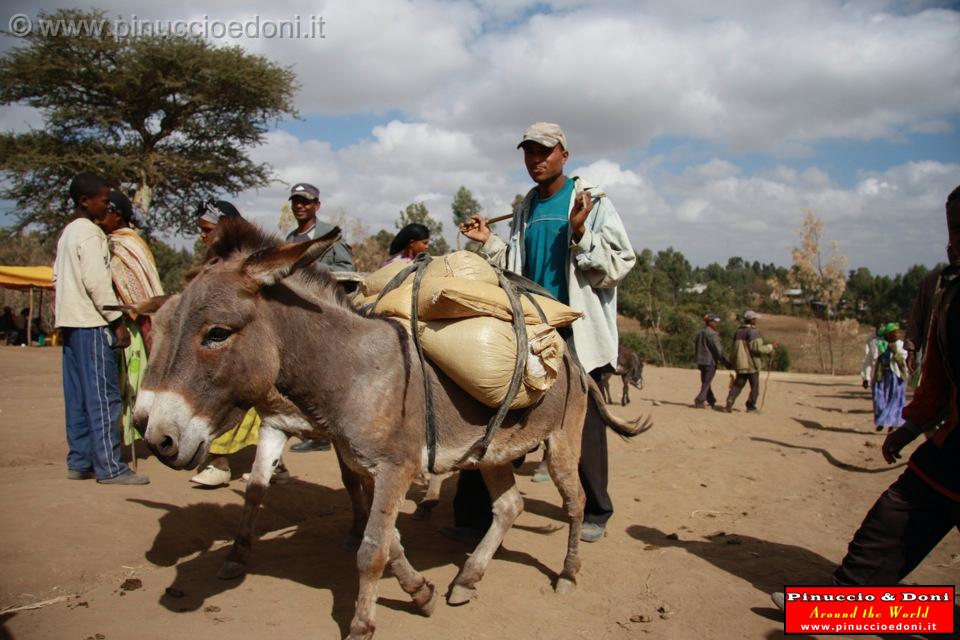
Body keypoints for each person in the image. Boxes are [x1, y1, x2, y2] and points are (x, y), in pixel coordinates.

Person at [772, 185, 960, 610]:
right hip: (952, 446)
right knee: (897, 513)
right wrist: (912, 425)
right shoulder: (947, 290)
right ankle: (844, 602)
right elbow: (939, 375)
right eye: (953, 230)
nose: (953, 243)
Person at [456, 122, 636, 543]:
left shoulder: (592, 202)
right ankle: (473, 514)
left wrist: (581, 232)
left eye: (544, 151)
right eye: (529, 153)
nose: (536, 160)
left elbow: (620, 264)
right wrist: (487, 242)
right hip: (531, 325)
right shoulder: (526, 207)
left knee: (583, 422)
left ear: (564, 155)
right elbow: (516, 267)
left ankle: (596, 510)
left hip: (575, 329)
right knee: (497, 409)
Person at [53, 172, 148, 485]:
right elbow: (97, 284)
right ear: (85, 201)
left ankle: (80, 460)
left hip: (70, 325)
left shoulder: (67, 233)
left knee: (78, 397)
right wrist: (117, 323)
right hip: (92, 324)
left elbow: (58, 279)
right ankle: (110, 466)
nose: (107, 207)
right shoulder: (91, 235)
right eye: (104, 201)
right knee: (104, 397)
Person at [189, 200, 287, 487]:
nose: (202, 236)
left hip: (249, 343)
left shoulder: (249, 260)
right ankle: (272, 464)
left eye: (206, 229)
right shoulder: (220, 260)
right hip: (233, 341)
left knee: (237, 399)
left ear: (224, 227)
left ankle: (220, 462)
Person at [285, 182, 356, 453]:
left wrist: (314, 266)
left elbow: (348, 270)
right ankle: (313, 431)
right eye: (296, 201)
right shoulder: (290, 240)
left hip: (325, 316)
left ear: (317, 205)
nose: (300, 206)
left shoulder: (331, 236)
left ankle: (327, 434)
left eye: (306, 201)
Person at [96, 190, 165, 446]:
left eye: (106, 213)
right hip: (117, 322)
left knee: (129, 384)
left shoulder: (126, 243)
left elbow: (139, 287)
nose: (101, 219)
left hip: (130, 326)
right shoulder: (109, 241)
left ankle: (126, 437)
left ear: (118, 215)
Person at [724, 310, 775, 413]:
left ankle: (730, 400)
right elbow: (757, 349)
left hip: (740, 364)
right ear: (752, 320)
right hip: (752, 364)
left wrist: (732, 362)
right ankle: (751, 406)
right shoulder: (754, 332)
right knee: (754, 387)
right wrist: (771, 347)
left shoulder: (738, 331)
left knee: (738, 385)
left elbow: (733, 349)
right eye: (755, 319)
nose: (756, 320)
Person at [862, 322, 908, 432]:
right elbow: (868, 361)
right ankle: (881, 421)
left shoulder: (901, 345)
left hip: (896, 377)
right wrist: (866, 377)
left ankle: (892, 423)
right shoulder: (876, 344)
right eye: (894, 333)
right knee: (879, 399)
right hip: (880, 376)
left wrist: (895, 352)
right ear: (887, 335)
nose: (897, 334)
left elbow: (903, 361)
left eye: (898, 332)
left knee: (895, 401)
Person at [693, 313, 730, 409]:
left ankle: (711, 400)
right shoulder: (712, 334)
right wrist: (726, 362)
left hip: (701, 361)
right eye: (714, 322)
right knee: (707, 382)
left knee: (705, 381)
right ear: (710, 322)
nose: (716, 324)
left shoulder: (700, 332)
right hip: (710, 362)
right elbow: (718, 350)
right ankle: (699, 400)